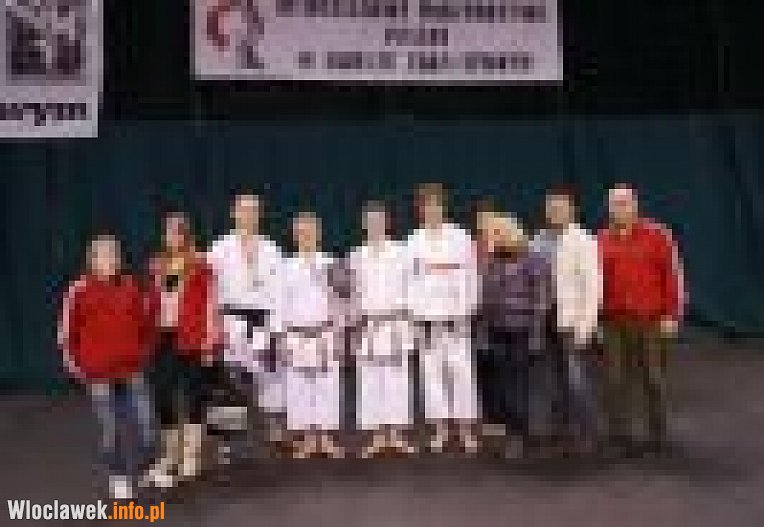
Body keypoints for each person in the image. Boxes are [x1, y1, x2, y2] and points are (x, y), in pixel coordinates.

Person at [58, 233, 156, 499]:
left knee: (146, 422)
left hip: (132, 368)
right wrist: (77, 366)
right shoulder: (78, 290)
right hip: (99, 373)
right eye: (104, 255)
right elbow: (66, 333)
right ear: (92, 260)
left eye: (114, 254)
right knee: (110, 427)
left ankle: (146, 470)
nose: (111, 259)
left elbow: (145, 322)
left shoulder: (130, 285)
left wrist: (143, 352)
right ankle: (118, 476)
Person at [597, 184, 685, 453]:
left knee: (653, 379)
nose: (620, 208)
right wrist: (595, 319)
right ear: (609, 208)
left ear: (635, 205)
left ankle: (658, 435)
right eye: (615, 204)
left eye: (624, 202)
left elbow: (673, 276)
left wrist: (672, 314)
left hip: (651, 320)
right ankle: (620, 435)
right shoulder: (601, 238)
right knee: (614, 380)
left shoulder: (658, 235)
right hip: (613, 322)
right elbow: (595, 283)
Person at [145, 211, 220, 488]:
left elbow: (211, 306)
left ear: (187, 234)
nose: (172, 236)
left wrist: (209, 343)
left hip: (192, 339)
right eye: (168, 231)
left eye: (178, 231)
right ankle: (170, 454)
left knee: (194, 395)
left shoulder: (201, 265)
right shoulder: (157, 264)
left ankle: (191, 455)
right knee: (163, 395)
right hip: (163, 339)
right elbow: (151, 302)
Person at [406, 183, 481, 453]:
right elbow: (408, 281)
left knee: (461, 372)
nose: (431, 210)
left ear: (443, 206)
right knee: (432, 375)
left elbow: (472, 276)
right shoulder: (413, 240)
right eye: (426, 205)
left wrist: (468, 309)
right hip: (426, 318)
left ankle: (465, 429)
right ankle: (440, 429)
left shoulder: (460, 236)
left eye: (436, 204)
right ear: (420, 209)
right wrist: (415, 314)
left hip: (456, 317)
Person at [207, 193, 287, 447]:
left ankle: (275, 429)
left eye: (254, 210)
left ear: (260, 215)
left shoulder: (271, 248)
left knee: (271, 376)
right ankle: (225, 442)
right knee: (229, 381)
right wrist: (213, 326)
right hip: (231, 320)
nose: (249, 215)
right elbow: (210, 290)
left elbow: (279, 291)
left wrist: (277, 328)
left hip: (263, 320)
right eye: (244, 210)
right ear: (234, 213)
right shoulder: (219, 248)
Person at [531, 186, 602, 454]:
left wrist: (586, 325)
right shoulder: (538, 240)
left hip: (572, 320)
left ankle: (587, 433)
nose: (555, 212)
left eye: (560, 207)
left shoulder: (583, 240)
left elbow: (593, 286)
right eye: (551, 207)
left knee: (577, 379)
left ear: (572, 210)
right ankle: (560, 430)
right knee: (551, 379)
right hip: (545, 319)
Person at [476, 214, 552, 457]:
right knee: (503, 384)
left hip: (523, 331)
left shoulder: (534, 260)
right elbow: (486, 299)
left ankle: (521, 434)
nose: (493, 238)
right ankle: (511, 431)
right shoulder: (492, 261)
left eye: (497, 233)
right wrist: (483, 332)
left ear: (511, 233)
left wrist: (536, 334)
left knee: (520, 384)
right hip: (497, 330)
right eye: (492, 234)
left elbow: (541, 301)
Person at [348, 201, 416, 458]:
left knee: (397, 380)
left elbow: (411, 286)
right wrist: (354, 324)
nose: (375, 224)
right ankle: (377, 436)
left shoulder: (401, 251)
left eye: (379, 220)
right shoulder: (357, 254)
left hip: (395, 323)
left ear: (387, 222)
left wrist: (410, 320)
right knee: (370, 380)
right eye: (370, 221)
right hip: (369, 324)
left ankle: (396, 435)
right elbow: (353, 294)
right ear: (364, 224)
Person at [282, 212, 345, 458]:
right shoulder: (285, 266)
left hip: (325, 333)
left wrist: (339, 334)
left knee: (327, 385)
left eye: (310, 231)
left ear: (319, 234)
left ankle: (326, 438)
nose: (306, 235)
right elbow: (278, 304)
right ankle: (308, 439)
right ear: (295, 235)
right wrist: (281, 337)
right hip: (296, 334)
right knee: (299, 386)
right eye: (301, 232)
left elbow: (341, 302)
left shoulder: (331, 263)